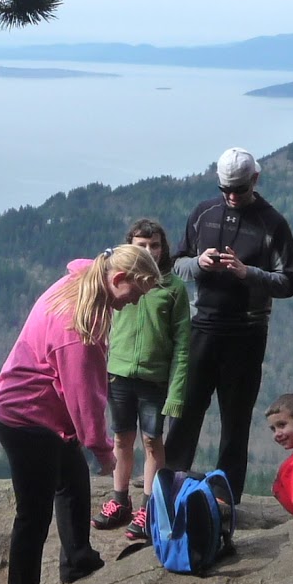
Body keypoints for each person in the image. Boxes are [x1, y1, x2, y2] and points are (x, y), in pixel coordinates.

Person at [0, 245, 161, 584]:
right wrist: (103, 450)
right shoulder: (79, 327)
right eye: (135, 293)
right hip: (25, 416)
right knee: (34, 510)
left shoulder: (83, 281)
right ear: (118, 279)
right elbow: (85, 400)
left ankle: (78, 561)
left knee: (72, 481)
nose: (134, 303)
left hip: (38, 408)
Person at [163, 146, 293, 506]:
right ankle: (168, 491)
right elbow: (176, 264)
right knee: (185, 413)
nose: (232, 197)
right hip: (202, 327)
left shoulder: (272, 223)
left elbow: (289, 281)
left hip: (246, 333)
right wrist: (199, 263)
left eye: (239, 189)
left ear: (255, 179)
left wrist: (247, 273)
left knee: (235, 420)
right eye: (226, 189)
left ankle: (225, 501)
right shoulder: (203, 213)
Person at [91, 218, 190, 538]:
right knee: (121, 438)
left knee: (151, 441)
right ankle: (120, 501)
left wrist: (176, 392)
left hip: (154, 379)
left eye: (154, 245)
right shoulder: (117, 282)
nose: (149, 250)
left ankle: (149, 506)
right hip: (118, 374)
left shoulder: (173, 289)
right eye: (141, 245)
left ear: (164, 248)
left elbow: (183, 345)